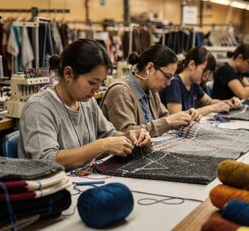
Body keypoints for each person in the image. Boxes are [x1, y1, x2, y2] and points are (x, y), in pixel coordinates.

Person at [18, 39, 152, 170]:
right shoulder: (39, 108)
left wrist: (130, 136)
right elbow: (47, 160)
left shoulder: (87, 102)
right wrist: (102, 146)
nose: (97, 89)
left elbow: (108, 134)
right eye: (92, 82)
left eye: (101, 82)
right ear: (68, 73)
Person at [100, 44, 201, 137]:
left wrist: (184, 117)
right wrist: (168, 122)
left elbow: (166, 118)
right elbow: (127, 134)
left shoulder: (152, 92)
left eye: (171, 78)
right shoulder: (120, 91)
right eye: (167, 76)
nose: (168, 83)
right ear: (149, 68)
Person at [160, 46, 241, 116]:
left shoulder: (193, 84)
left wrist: (229, 102)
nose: (205, 78)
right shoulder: (174, 84)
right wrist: (211, 108)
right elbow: (177, 115)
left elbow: (209, 101)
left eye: (208, 74)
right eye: (204, 72)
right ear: (192, 64)